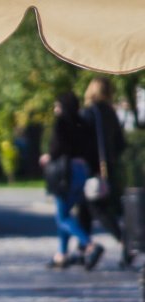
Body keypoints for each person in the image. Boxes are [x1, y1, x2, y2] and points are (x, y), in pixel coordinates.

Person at [40, 91, 105, 269]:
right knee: (66, 213)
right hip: (82, 171)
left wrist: (48, 156)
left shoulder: (61, 123)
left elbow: (57, 148)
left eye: (57, 106)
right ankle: (61, 254)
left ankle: (90, 245)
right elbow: (91, 150)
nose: (55, 109)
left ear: (63, 107)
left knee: (62, 217)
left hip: (66, 173)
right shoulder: (83, 123)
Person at [79, 77, 126, 255]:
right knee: (86, 208)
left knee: (97, 208)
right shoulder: (110, 112)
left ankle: (123, 241)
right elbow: (120, 143)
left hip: (92, 168)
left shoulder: (89, 112)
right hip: (108, 167)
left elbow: (83, 142)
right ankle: (84, 248)